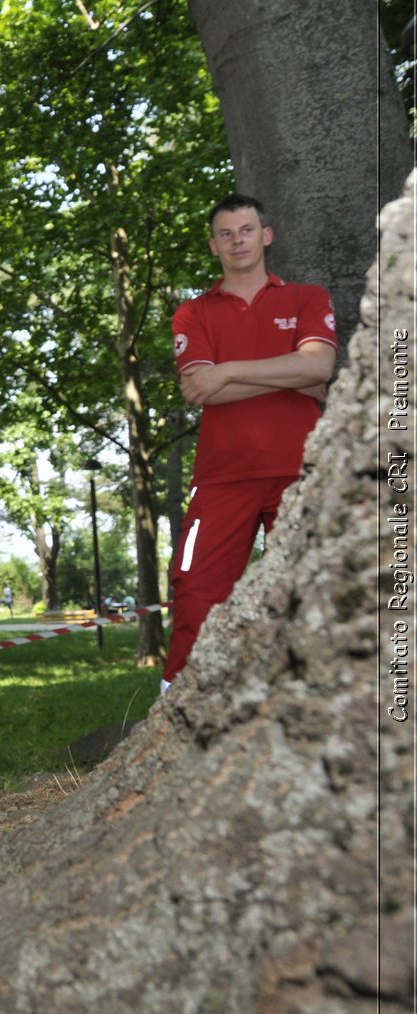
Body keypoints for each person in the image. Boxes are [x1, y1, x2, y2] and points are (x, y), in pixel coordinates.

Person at [163, 194, 337, 690]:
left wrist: (229, 371)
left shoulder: (306, 298)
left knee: (308, 589)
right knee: (194, 589)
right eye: (225, 233)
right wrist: (289, 374)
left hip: (299, 471)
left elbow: (319, 369)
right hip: (222, 477)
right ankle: (176, 706)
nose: (237, 241)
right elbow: (198, 388)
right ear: (214, 245)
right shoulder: (193, 313)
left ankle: (308, 703)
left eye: (246, 230)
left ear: (266, 235)